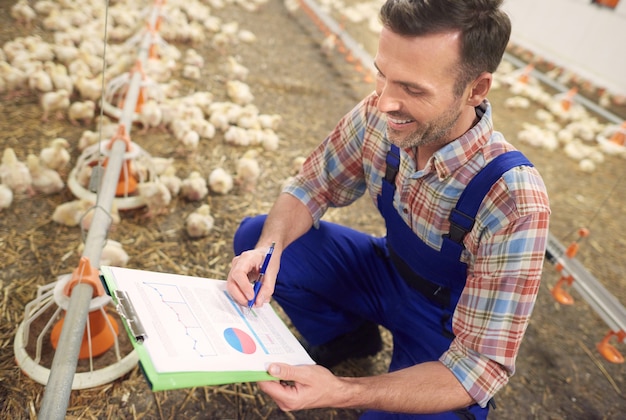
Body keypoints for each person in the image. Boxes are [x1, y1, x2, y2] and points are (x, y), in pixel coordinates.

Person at [226, 0, 550, 418]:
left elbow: (477, 368)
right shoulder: (379, 117)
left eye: (412, 89)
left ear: (477, 89)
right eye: (383, 75)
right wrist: (268, 252)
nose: (384, 103)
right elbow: (311, 186)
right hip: (385, 271)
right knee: (258, 238)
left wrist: (343, 391)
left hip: (448, 329)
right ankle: (349, 339)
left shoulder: (514, 200)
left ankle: (370, 369)